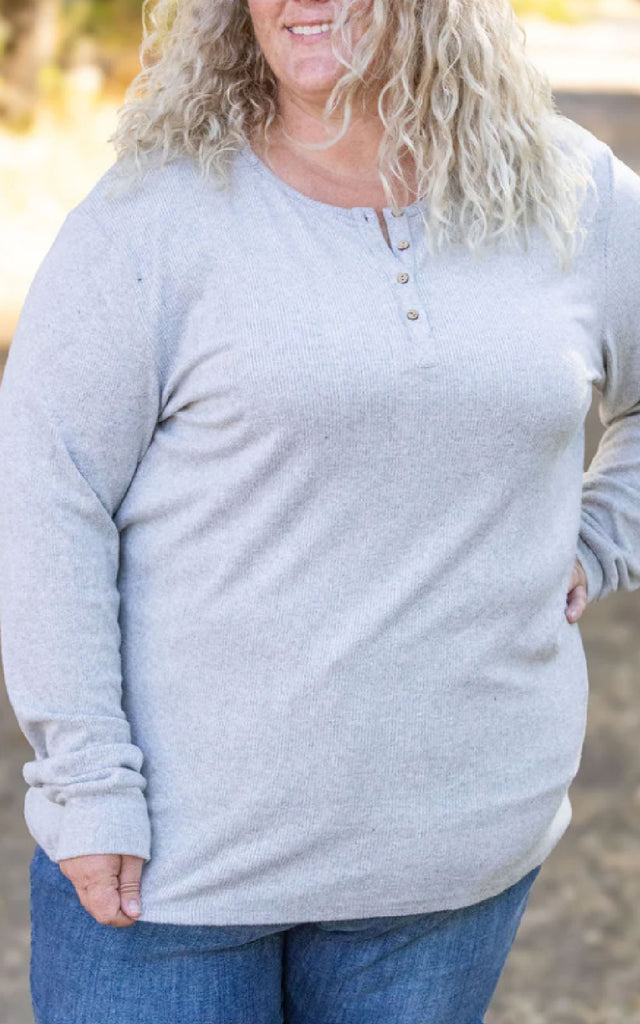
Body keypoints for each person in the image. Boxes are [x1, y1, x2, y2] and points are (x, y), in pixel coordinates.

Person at [0, 0, 639, 1021]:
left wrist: (600, 538)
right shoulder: (156, 215)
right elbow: (46, 496)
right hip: (173, 873)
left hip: (445, 866)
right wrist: (84, 782)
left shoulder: (571, 197)